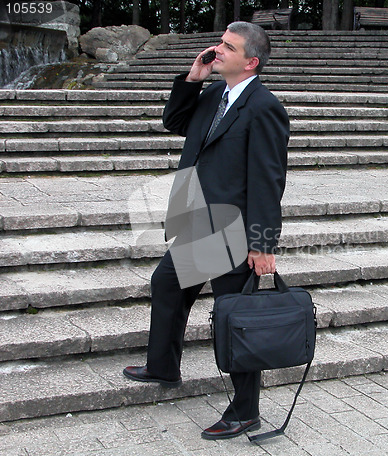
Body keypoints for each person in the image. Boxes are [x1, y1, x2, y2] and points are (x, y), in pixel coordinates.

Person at [123, 21, 290, 440]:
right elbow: (174, 122)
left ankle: (246, 411)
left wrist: (262, 244)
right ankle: (163, 366)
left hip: (231, 231)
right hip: (197, 219)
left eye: (227, 47)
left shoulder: (265, 107)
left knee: (236, 320)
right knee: (167, 285)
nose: (217, 51)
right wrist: (192, 79)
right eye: (218, 43)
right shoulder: (212, 92)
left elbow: (269, 180)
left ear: (250, 62)